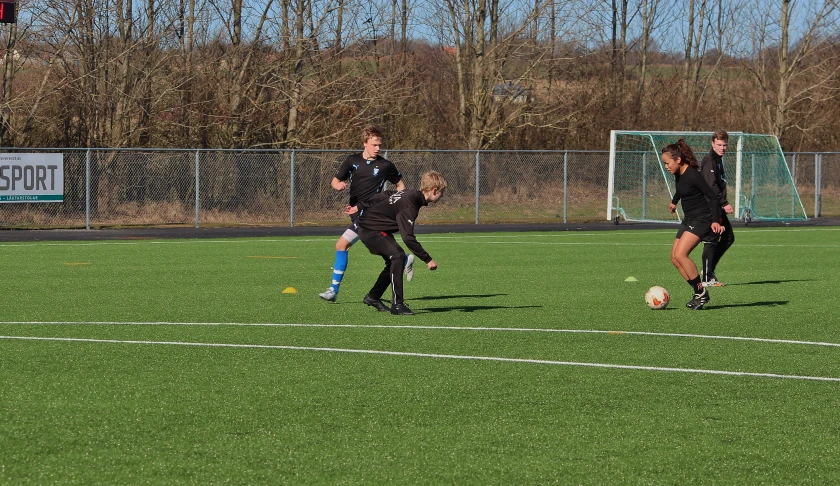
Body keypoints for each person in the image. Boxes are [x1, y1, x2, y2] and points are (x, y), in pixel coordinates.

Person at [318, 126, 411, 302]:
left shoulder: (385, 165)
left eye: (379, 145)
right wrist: (337, 185)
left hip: (371, 215)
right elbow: (335, 180)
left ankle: (333, 290)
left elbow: (401, 186)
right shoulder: (351, 161)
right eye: (374, 144)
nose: (378, 148)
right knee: (374, 249)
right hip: (356, 213)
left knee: (341, 245)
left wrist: (397, 204)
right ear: (365, 143)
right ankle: (403, 259)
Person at [345, 171, 448, 315]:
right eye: (441, 193)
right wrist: (427, 259)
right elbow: (408, 238)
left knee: (393, 261)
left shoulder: (408, 193)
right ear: (434, 191)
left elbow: (385, 194)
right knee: (398, 255)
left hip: (372, 228)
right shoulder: (410, 206)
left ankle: (372, 297)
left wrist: (361, 206)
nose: (442, 196)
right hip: (370, 230)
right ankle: (397, 305)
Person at [662, 140, 725, 310]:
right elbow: (681, 189)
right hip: (689, 219)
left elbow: (712, 196)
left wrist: (715, 220)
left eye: (667, 163)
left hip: (702, 220)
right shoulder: (679, 174)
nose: (666, 167)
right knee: (675, 259)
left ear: (678, 160)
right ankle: (699, 293)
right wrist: (674, 201)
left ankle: (701, 292)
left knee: (682, 255)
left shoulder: (693, 175)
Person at [700, 130, 735, 287]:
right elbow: (711, 186)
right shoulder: (709, 160)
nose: (722, 148)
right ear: (713, 144)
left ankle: (709, 270)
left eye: (725, 145)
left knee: (728, 238)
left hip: (717, 206)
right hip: (711, 206)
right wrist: (724, 202)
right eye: (719, 145)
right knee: (712, 240)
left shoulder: (719, 160)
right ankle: (707, 278)